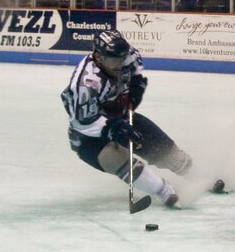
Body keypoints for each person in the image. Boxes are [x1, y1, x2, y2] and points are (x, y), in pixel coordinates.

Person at [60, 30, 192, 210]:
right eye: (114, 59)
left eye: (122, 58)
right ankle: (163, 190)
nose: (120, 63)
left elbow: (135, 69)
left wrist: (136, 84)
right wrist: (113, 128)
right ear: (98, 57)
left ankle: (197, 175)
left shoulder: (128, 55)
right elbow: (82, 122)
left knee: (162, 148)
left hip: (120, 117)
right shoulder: (85, 83)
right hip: (88, 137)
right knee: (117, 159)